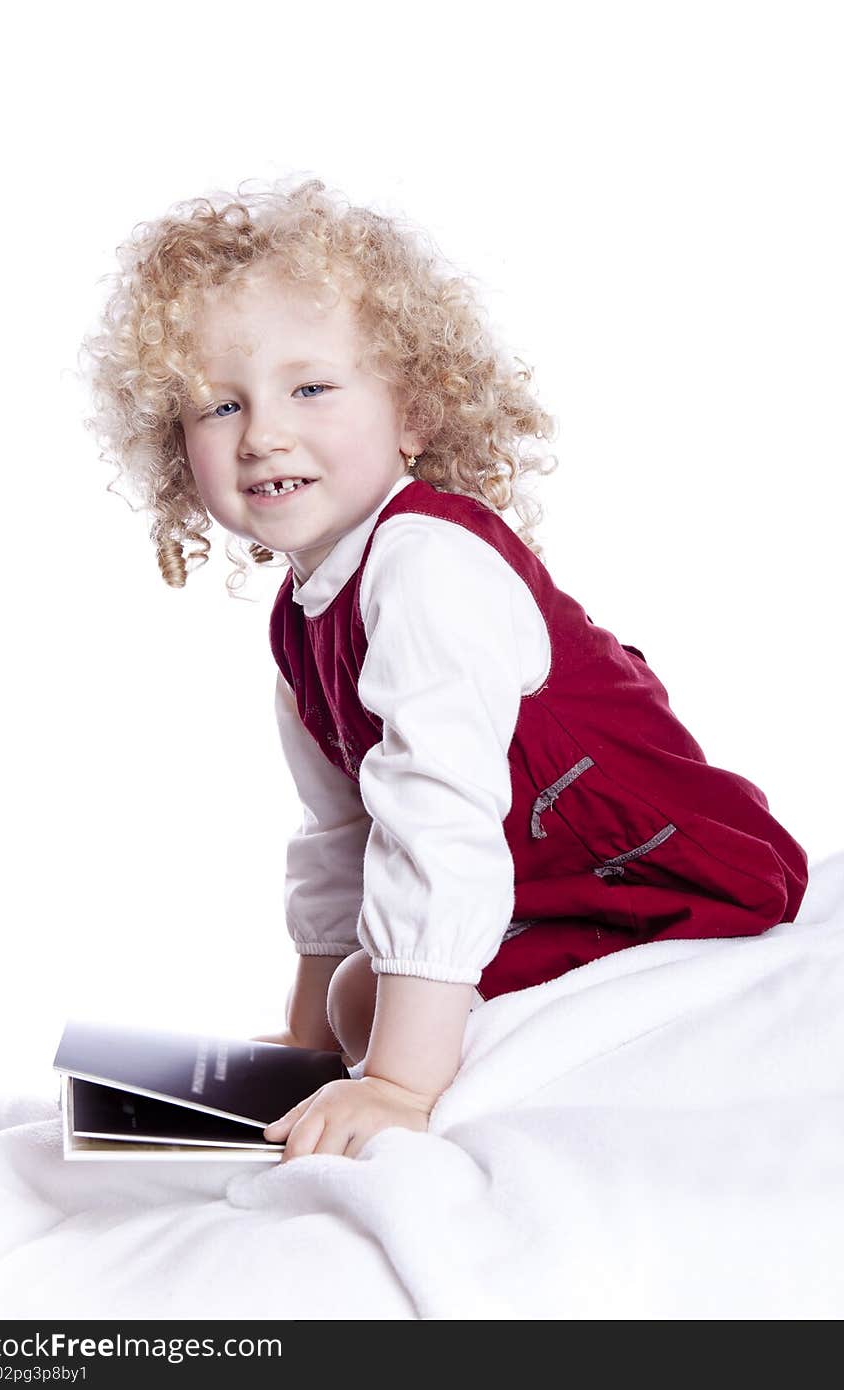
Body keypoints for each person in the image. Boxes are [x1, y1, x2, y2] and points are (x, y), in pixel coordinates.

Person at [81, 176, 809, 1163]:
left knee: (372, 1007)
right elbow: (341, 833)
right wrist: (303, 1045)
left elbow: (436, 815)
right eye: (219, 405)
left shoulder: (424, 566)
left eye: (310, 387)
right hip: (536, 883)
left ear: (412, 414)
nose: (261, 434)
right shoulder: (302, 622)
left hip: (664, 873)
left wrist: (395, 1084)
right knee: (346, 999)